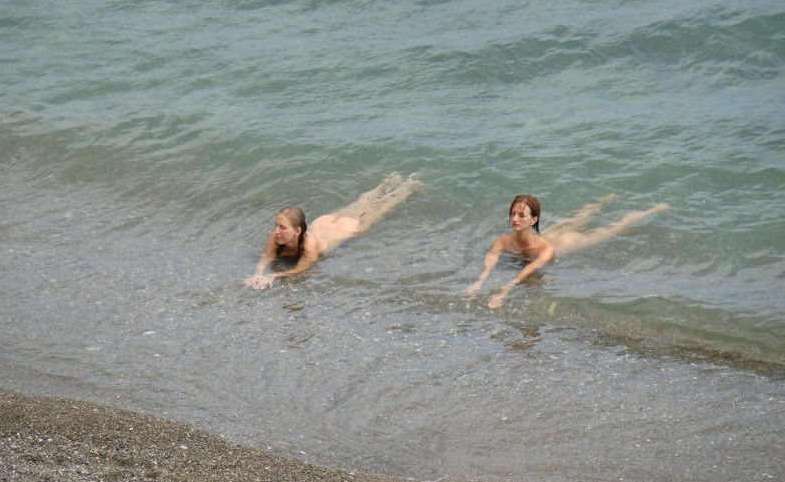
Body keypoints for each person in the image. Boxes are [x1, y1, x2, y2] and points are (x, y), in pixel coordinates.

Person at [466, 194, 671, 309]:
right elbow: (490, 260)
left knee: (613, 230)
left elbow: (524, 274)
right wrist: (478, 283)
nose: (515, 219)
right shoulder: (503, 241)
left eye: (521, 215)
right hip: (544, 236)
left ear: (534, 220)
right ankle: (601, 201)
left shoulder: (545, 250)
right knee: (574, 220)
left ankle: (655, 209)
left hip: (564, 243)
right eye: (513, 214)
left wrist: (502, 293)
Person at [244, 173, 422, 289]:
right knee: (360, 205)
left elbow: (301, 269)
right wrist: (257, 274)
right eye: (277, 225)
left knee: (379, 208)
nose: (277, 231)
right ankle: (390, 182)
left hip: (345, 229)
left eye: (282, 227)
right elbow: (266, 257)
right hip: (323, 222)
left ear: (297, 231)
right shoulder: (275, 237)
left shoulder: (309, 244)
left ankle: (409, 186)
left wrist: (275, 275)